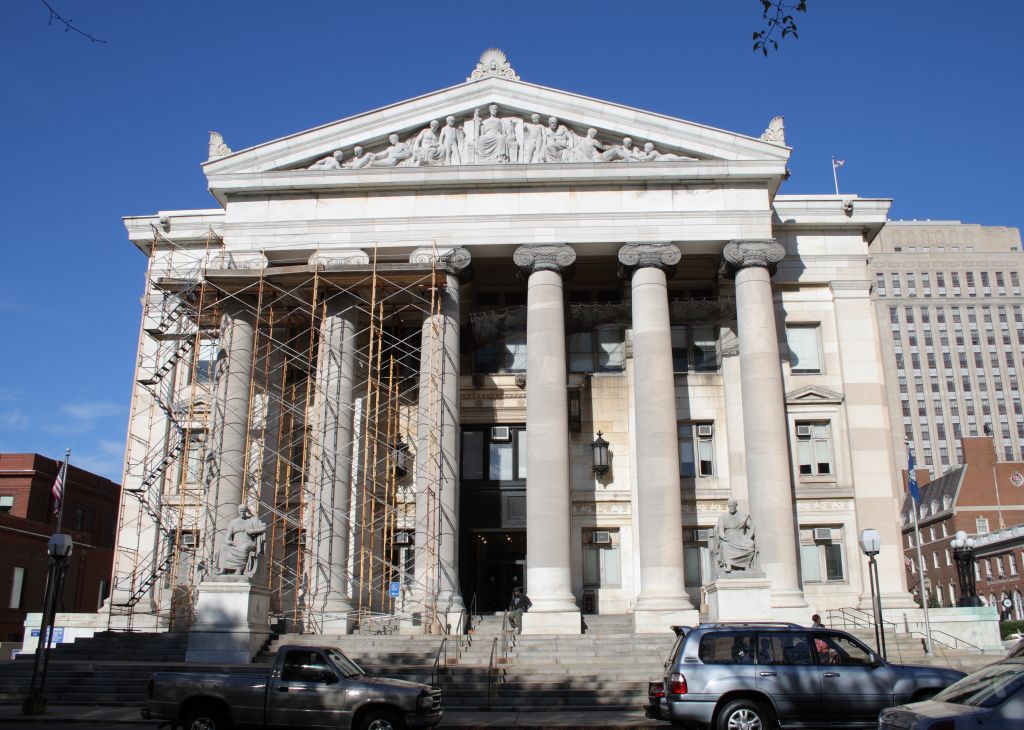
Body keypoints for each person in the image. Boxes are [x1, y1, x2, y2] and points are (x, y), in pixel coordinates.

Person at [216, 504, 267, 577]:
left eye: (244, 511)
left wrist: (253, 531)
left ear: (246, 511)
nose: (242, 513)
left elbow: (264, 528)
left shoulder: (252, 520)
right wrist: (228, 542)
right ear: (238, 511)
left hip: (247, 541)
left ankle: (239, 569)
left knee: (244, 548)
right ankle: (223, 569)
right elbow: (228, 536)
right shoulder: (233, 522)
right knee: (223, 547)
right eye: (241, 511)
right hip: (236, 543)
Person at [713, 498, 757, 573]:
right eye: (729, 506)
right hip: (728, 538)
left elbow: (752, 526)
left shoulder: (743, 515)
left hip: (741, 537)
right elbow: (721, 530)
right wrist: (723, 537)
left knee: (750, 544)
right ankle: (729, 565)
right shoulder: (722, 517)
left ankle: (746, 565)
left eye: (732, 506)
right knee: (724, 545)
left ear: (736, 506)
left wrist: (748, 537)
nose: (731, 508)